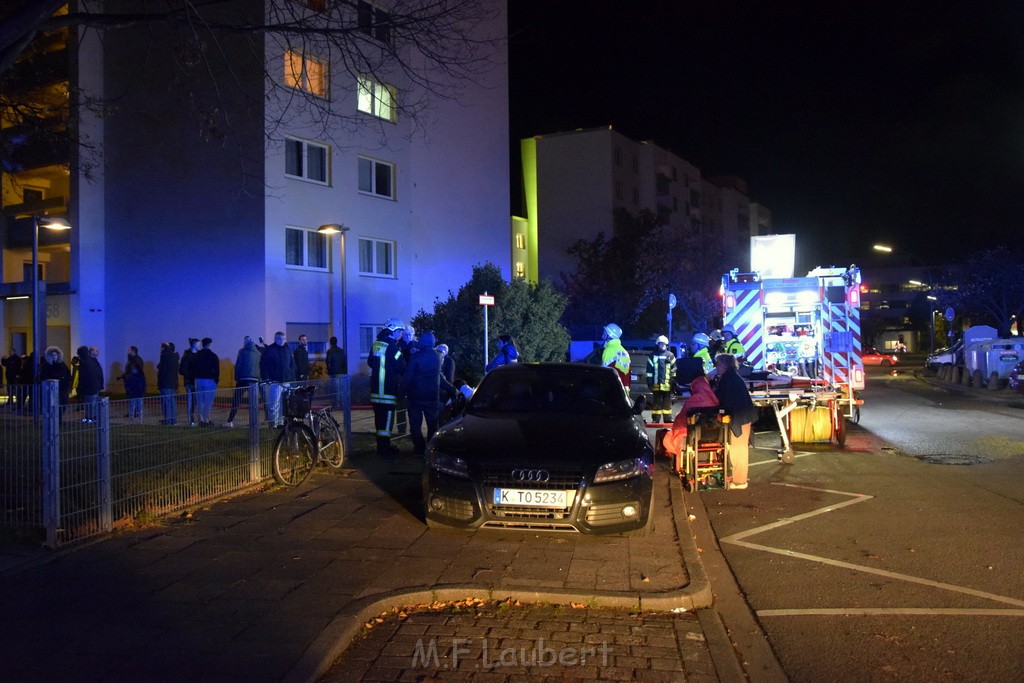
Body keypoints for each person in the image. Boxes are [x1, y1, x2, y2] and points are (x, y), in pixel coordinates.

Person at [400, 331, 456, 455]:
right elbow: (440, 378)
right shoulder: (438, 357)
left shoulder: (415, 357)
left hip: (415, 398)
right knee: (432, 425)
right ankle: (430, 449)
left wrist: (400, 393)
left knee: (415, 426)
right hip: (432, 398)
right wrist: (453, 390)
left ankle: (419, 448)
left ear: (422, 342)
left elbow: (407, 378)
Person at [713, 353, 758, 490]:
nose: (716, 368)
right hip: (743, 416)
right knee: (739, 449)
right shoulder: (732, 377)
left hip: (740, 418)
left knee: (738, 450)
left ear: (724, 365)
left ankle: (740, 482)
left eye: (717, 365)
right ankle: (739, 479)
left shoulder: (729, 379)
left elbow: (723, 399)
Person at [661, 367, 720, 471]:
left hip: (693, 435)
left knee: (672, 437)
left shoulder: (693, 401)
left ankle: (680, 466)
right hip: (714, 435)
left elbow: (682, 419)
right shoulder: (715, 400)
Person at [367, 317, 407, 456]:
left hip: (375, 391)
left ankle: (380, 446)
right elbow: (402, 367)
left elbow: (370, 362)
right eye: (400, 331)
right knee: (387, 421)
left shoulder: (376, 344)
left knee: (379, 420)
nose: (401, 334)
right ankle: (384, 449)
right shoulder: (393, 347)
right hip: (388, 392)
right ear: (393, 331)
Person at [260, 331, 296, 428]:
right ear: (275, 339)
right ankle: (274, 425)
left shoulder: (288, 349)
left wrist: (292, 377)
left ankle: (281, 424)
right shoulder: (270, 350)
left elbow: (292, 364)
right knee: (274, 404)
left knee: (285, 405)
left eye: (283, 339)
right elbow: (263, 365)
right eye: (279, 339)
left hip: (287, 381)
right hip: (275, 382)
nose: (282, 341)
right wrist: (267, 378)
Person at [225, 336, 260, 427]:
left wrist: (236, 377)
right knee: (253, 402)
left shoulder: (242, 351)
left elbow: (238, 365)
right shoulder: (258, 353)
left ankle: (230, 421)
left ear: (245, 342)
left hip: (243, 379)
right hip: (254, 380)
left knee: (236, 400)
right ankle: (254, 422)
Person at [646, 335, 677, 423]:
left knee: (667, 402)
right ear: (657, 344)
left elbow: (675, 368)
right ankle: (655, 419)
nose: (662, 345)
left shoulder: (670, 355)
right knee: (656, 402)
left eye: (664, 344)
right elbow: (649, 370)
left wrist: (673, 380)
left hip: (667, 384)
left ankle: (668, 419)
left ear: (666, 345)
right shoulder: (652, 356)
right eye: (661, 344)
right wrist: (649, 381)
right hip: (656, 383)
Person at [192, 337, 219, 427]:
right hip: (209, 380)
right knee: (208, 401)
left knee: (200, 401)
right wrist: (216, 380)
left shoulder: (197, 355)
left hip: (198, 380)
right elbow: (217, 370)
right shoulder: (213, 356)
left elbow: (193, 368)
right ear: (210, 344)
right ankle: (207, 419)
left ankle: (201, 420)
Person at [38, 345, 71, 417]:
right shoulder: (46, 366)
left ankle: (59, 419)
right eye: (52, 355)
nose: (54, 356)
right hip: (50, 389)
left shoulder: (62, 365)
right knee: (51, 405)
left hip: (62, 389)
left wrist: (66, 386)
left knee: (61, 405)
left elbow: (67, 376)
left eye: (56, 355)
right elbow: (42, 376)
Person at [600, 323, 631, 392]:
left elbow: (603, 373)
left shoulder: (609, 350)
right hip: (624, 391)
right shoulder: (624, 351)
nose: (602, 337)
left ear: (610, 336)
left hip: (612, 390)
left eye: (604, 334)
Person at [77, 345, 104, 423]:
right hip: (91, 386)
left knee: (91, 403)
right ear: (91, 352)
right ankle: (90, 417)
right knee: (90, 403)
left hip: (91, 386)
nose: (98, 352)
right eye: (96, 350)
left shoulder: (89, 361)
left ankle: (91, 417)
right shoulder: (91, 361)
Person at [119, 346, 146, 422]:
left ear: (133, 351)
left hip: (135, 384)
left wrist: (128, 377)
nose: (127, 352)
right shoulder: (131, 360)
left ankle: (137, 415)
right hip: (131, 382)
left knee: (136, 402)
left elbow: (134, 371)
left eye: (129, 350)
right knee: (133, 401)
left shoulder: (136, 360)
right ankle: (133, 414)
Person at [157, 341, 179, 425]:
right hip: (173, 382)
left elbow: (162, 369)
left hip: (165, 382)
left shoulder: (164, 355)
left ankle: (168, 420)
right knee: (172, 402)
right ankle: (173, 420)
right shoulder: (174, 357)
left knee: (166, 402)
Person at [179, 338, 200, 426]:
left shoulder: (199, 354)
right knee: (190, 402)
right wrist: (189, 375)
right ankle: (190, 420)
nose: (199, 346)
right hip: (190, 382)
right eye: (198, 344)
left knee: (196, 402)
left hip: (197, 381)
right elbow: (181, 369)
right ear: (193, 344)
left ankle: (198, 420)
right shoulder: (187, 355)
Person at [325, 336, 348, 409]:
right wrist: (345, 372)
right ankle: (343, 404)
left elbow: (328, 362)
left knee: (336, 390)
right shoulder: (341, 351)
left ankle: (337, 404)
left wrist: (329, 372)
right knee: (342, 390)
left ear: (330, 343)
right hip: (342, 372)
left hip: (334, 373)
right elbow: (345, 361)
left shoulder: (330, 351)